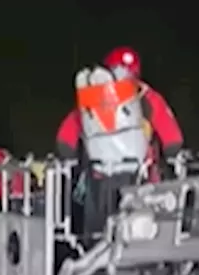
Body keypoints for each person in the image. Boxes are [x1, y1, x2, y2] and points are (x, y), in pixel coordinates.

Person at [54, 45, 185, 180]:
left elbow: (65, 143)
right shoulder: (150, 98)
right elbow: (173, 141)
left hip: (99, 177)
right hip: (141, 178)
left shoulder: (92, 102)